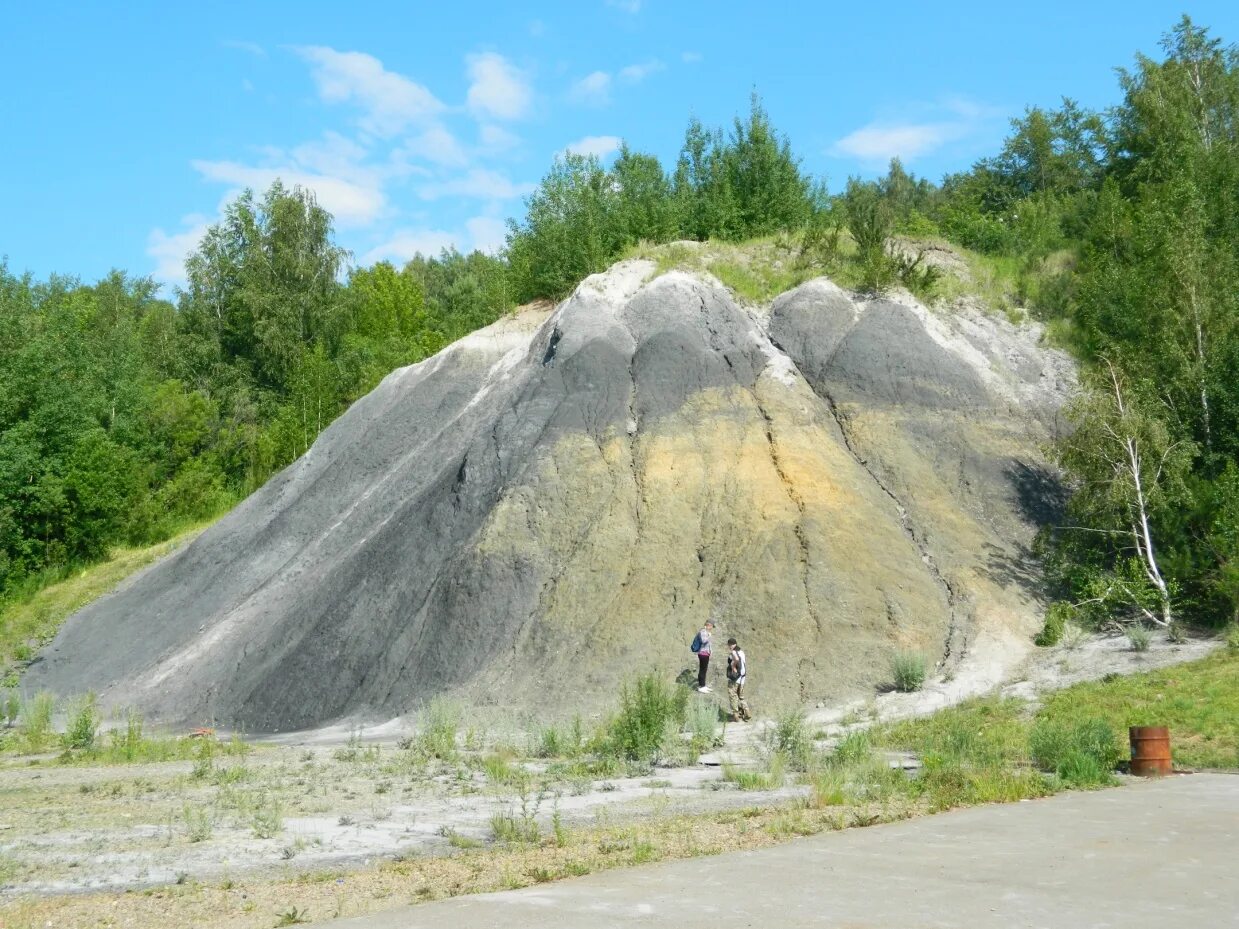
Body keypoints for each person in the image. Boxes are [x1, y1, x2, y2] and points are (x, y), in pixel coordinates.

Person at [726, 638, 751, 721]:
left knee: (732, 695)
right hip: (742, 677)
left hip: (735, 678)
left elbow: (736, 659)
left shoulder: (733, 652)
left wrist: (733, 666)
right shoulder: (741, 652)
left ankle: (736, 715)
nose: (729, 646)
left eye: (729, 645)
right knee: (741, 696)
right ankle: (747, 712)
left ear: (731, 644)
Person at [690, 620, 715, 692]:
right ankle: (701, 687)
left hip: (706, 653)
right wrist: (709, 636)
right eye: (712, 626)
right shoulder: (703, 632)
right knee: (702, 670)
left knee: (704, 669)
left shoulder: (706, 632)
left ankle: (703, 685)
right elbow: (704, 641)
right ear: (708, 625)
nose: (712, 628)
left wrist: (710, 651)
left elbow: (708, 644)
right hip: (702, 653)